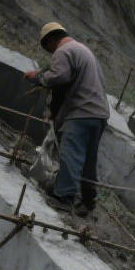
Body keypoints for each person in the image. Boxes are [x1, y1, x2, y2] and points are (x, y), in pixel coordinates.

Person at [24, 23, 110, 215]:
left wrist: (38, 79)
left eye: (48, 48)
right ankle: (88, 200)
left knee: (70, 151)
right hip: (99, 113)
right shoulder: (84, 51)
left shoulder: (63, 51)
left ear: (51, 40)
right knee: (89, 157)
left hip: (81, 112)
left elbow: (59, 78)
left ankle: (64, 196)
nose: (50, 53)